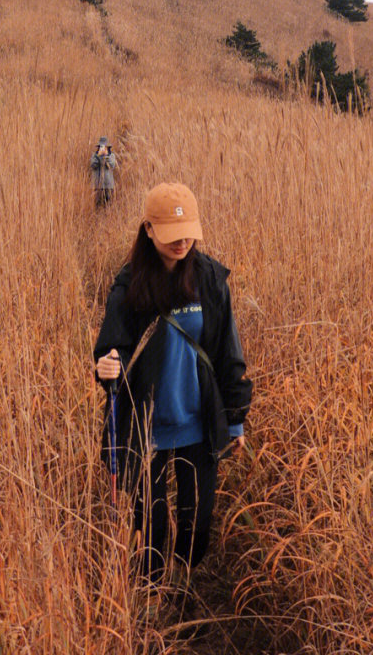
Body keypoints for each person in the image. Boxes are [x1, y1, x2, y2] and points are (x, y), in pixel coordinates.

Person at [93, 182, 252, 585]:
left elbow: (227, 354)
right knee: (152, 524)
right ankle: (152, 595)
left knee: (197, 521)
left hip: (198, 425)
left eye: (188, 232)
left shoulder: (210, 279)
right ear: (148, 229)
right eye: (170, 233)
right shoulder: (129, 286)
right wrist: (107, 366)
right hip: (148, 427)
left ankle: (181, 587)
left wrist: (235, 420)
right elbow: (113, 351)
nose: (182, 241)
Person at [90, 136, 117, 205]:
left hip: (108, 185)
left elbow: (112, 165)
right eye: (101, 147)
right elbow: (93, 165)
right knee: (97, 205)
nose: (102, 149)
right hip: (97, 185)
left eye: (104, 147)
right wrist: (99, 157)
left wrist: (106, 157)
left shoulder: (112, 155)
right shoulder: (94, 155)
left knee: (108, 205)